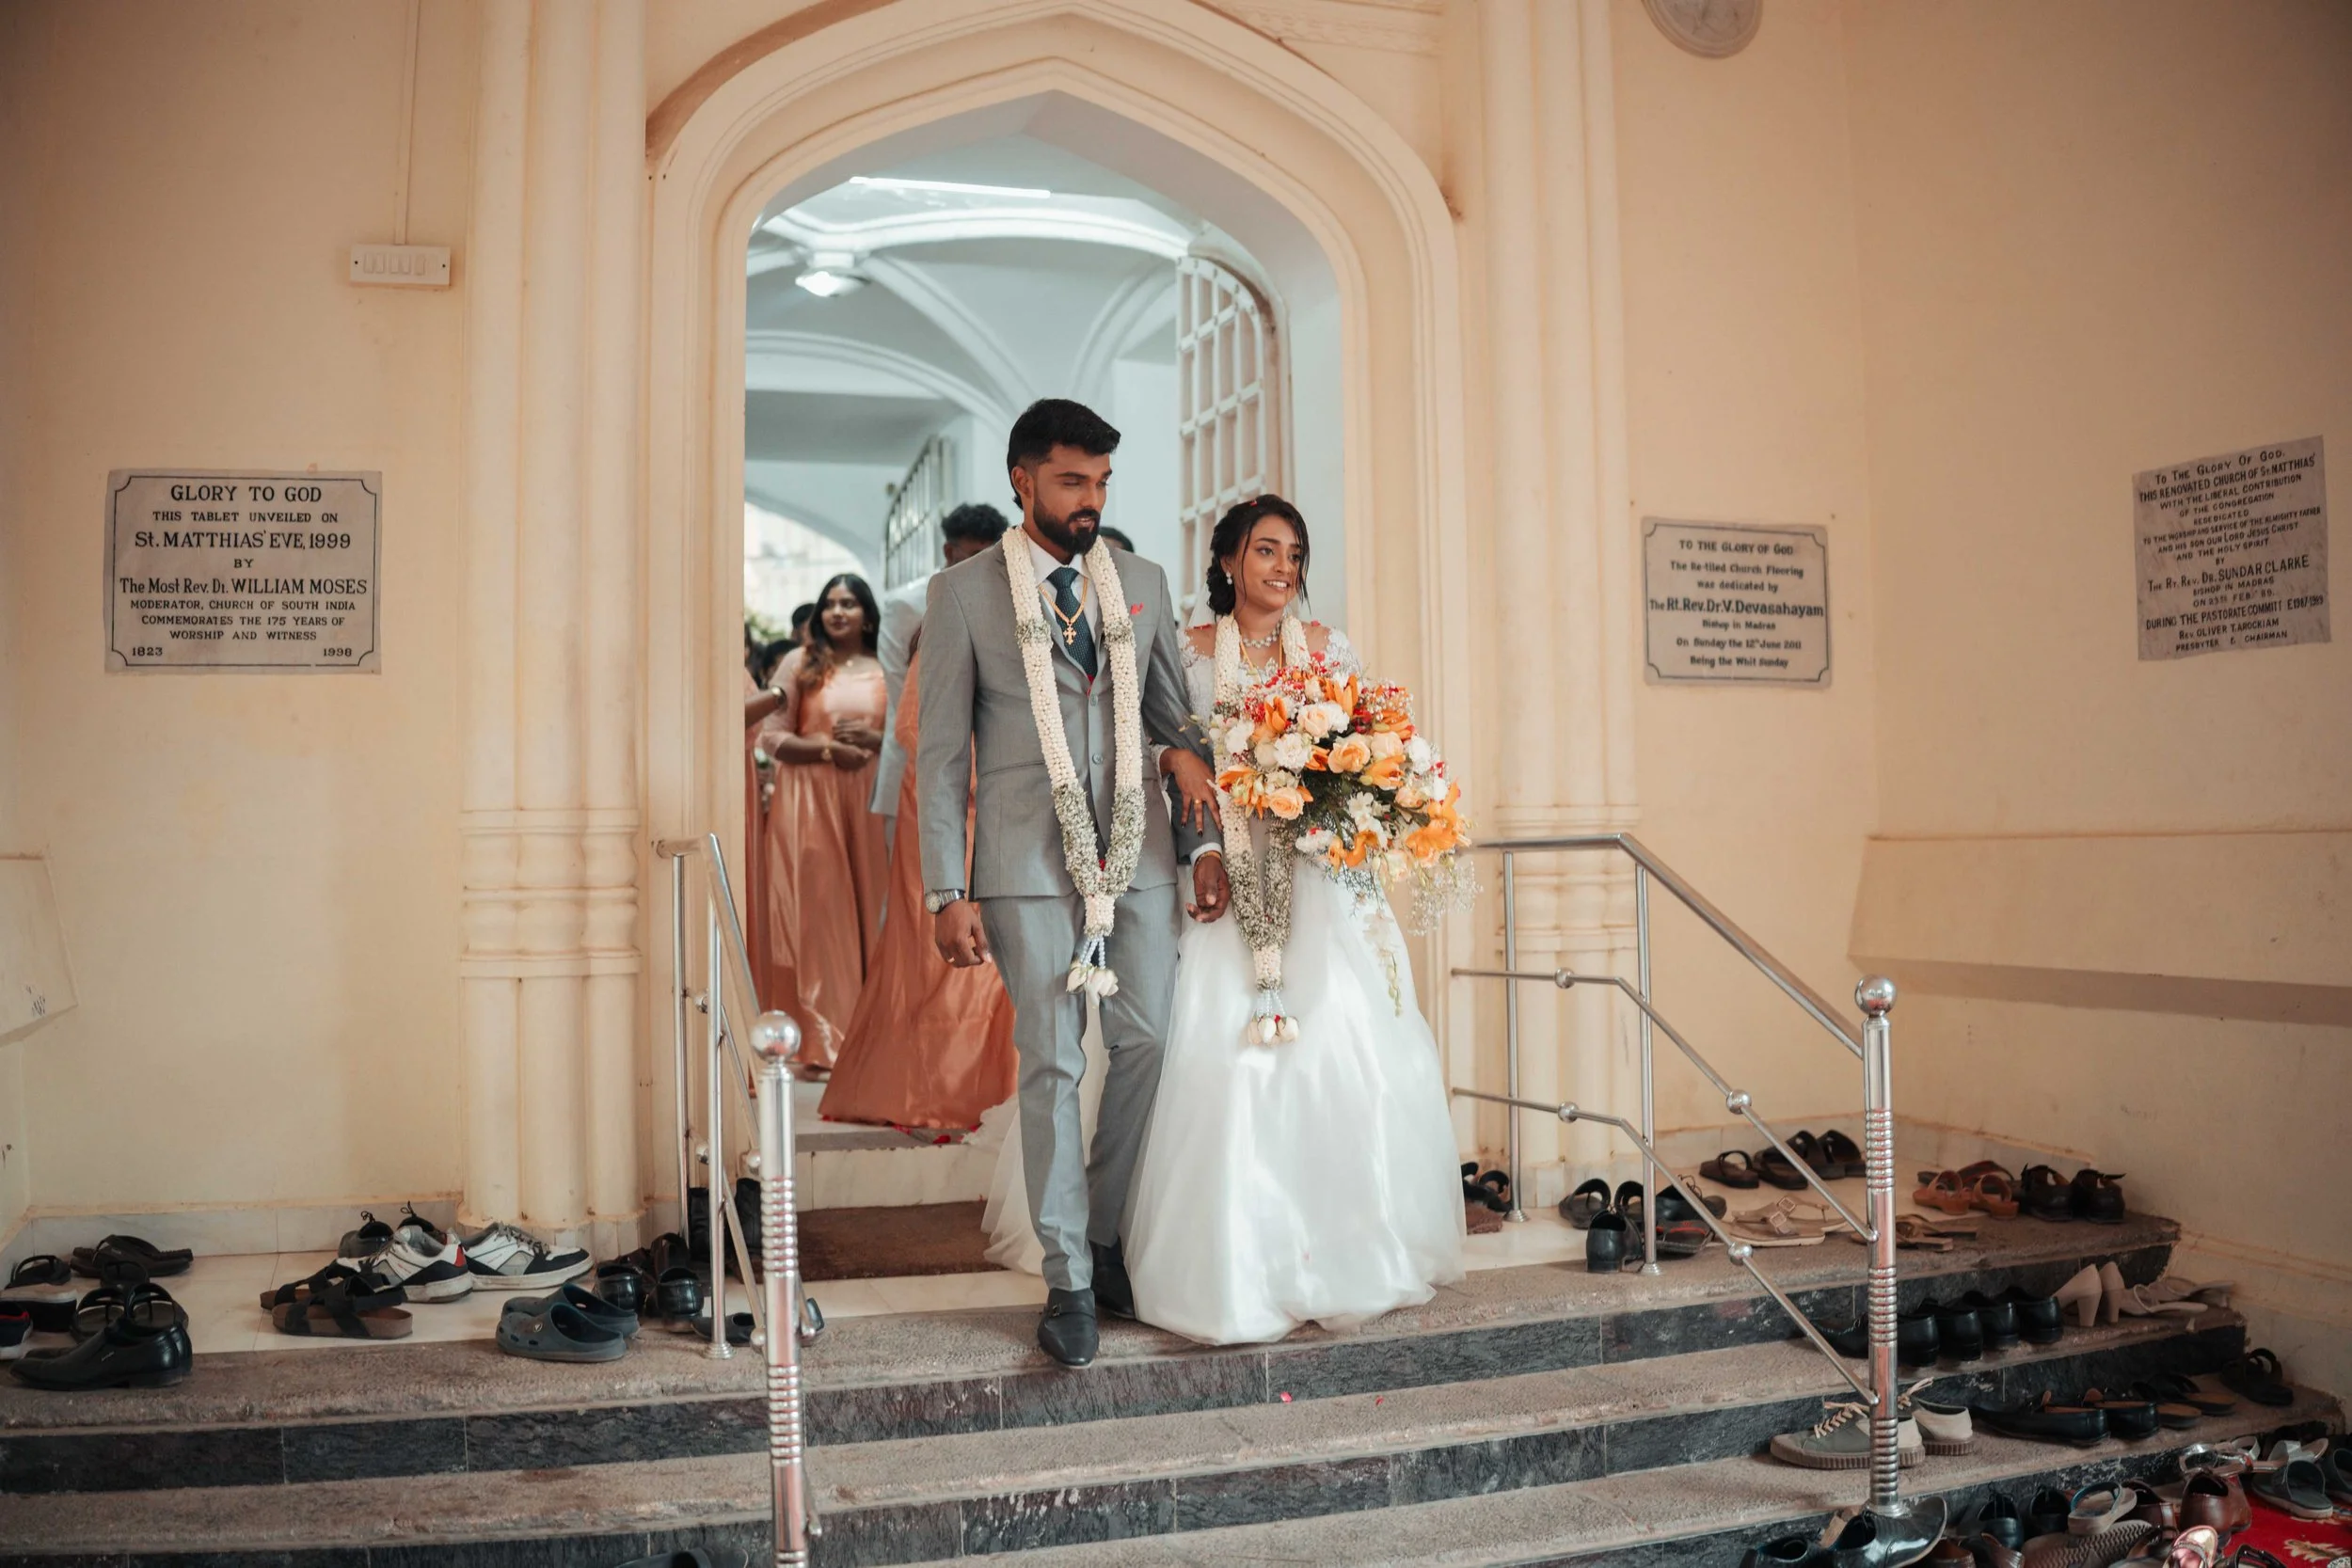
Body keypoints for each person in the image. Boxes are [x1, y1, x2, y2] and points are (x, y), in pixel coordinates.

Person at [979, 495, 1466, 1346]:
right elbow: (1157, 742)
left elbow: (1369, 742)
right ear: (1229, 561)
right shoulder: (1192, 651)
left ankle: (1337, 1247)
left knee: (1342, 1044)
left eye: (1295, 554)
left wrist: (1353, 793)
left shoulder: (1329, 649)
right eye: (1266, 550)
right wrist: (1191, 797)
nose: (1283, 568)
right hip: (1214, 870)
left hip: (1317, 876)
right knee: (1205, 1053)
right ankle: (1189, 1254)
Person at [917, 397, 1226, 1370]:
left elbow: (1179, 728)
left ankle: (1101, 1232)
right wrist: (945, 890)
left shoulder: (1141, 581)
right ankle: (1069, 1279)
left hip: (1140, 857)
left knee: (1147, 1040)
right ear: (1023, 480)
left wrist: (1203, 839)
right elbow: (939, 756)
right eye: (1070, 481)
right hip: (1024, 865)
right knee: (1053, 1058)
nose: (1090, 499)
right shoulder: (962, 594)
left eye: (1100, 482)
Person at [819, 638, 1019, 1131]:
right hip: (942, 816)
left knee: (1000, 954)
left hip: (999, 815)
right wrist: (986, 778)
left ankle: (994, 1086)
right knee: (944, 954)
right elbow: (911, 728)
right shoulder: (937, 639)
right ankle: (937, 1088)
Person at [764, 573, 890, 1069]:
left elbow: (912, 735)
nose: (838, 612)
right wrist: (826, 749)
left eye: (849, 603)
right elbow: (772, 737)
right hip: (812, 803)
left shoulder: (888, 665)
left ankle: (874, 1039)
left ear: (868, 615)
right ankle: (826, 1042)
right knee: (823, 918)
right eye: (830, 604)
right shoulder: (800, 663)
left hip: (872, 801)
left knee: (874, 913)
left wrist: (874, 741)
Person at [871, 502, 1011, 825]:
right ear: (949, 551)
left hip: (986, 766)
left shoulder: (1003, 598)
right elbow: (899, 691)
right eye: (975, 554)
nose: (985, 565)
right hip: (915, 755)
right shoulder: (908, 604)